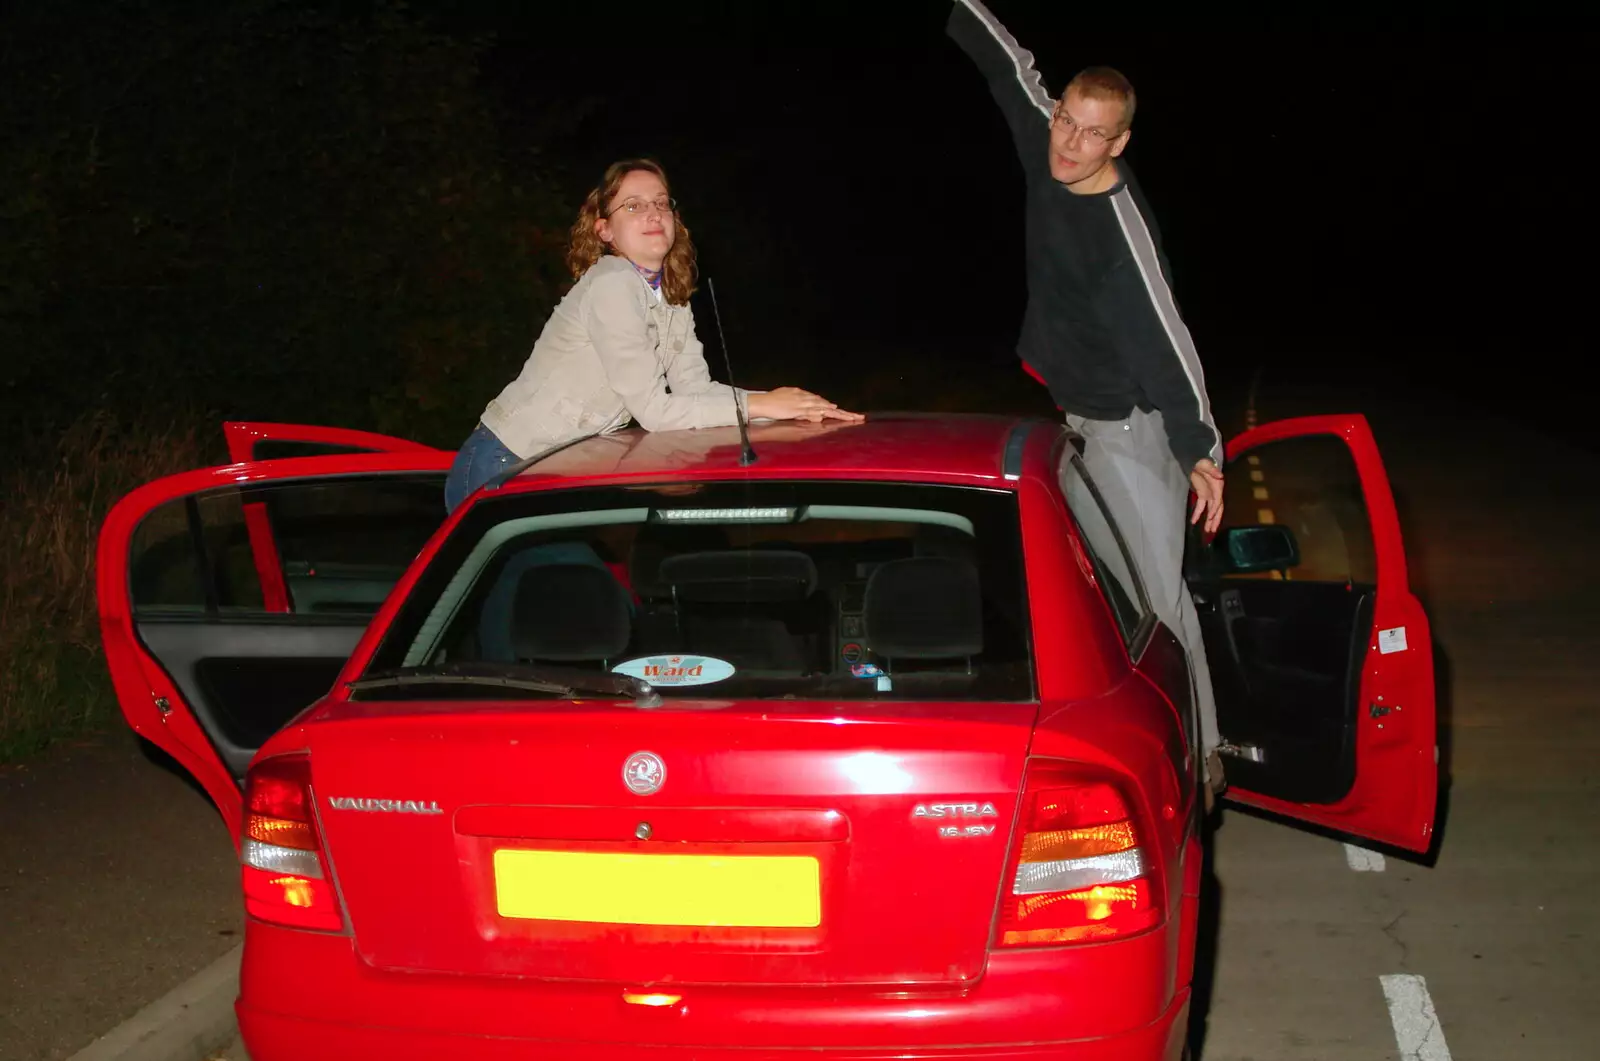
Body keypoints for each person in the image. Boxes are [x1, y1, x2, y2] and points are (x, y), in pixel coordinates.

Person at [946, 0, 1229, 802]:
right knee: (1099, 597)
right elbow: (1008, 66)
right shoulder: (1049, 144)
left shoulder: (1120, 230)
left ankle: (1199, 763)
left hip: (1135, 431)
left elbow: (1170, 341)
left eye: (1090, 134)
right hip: (1079, 424)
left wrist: (1200, 447)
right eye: (1066, 121)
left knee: (1157, 603)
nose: (1068, 144)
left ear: (1120, 143)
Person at [444, 158, 862, 513]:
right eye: (634, 205)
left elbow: (695, 390)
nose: (653, 213)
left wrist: (787, 410)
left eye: (661, 203)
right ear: (604, 230)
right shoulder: (612, 282)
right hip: (501, 464)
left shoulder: (671, 296)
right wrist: (761, 405)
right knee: (557, 598)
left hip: (555, 469)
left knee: (580, 597)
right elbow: (656, 413)